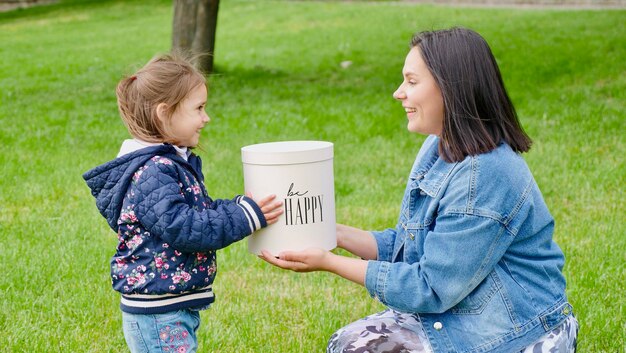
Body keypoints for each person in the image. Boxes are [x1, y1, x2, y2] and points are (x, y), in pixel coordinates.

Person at [260, 27, 578, 353]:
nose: (399, 93)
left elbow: (430, 287)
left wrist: (329, 262)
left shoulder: (484, 175)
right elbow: (406, 246)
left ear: (450, 88)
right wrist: (329, 232)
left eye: (412, 82)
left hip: (520, 328)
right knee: (346, 344)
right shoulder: (437, 147)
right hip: (466, 308)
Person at [83, 53, 283, 353]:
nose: (206, 117)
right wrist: (245, 217)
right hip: (159, 311)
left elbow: (195, 213)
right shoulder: (152, 171)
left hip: (168, 305)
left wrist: (239, 206)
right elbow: (186, 227)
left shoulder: (167, 163)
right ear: (164, 113)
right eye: (199, 108)